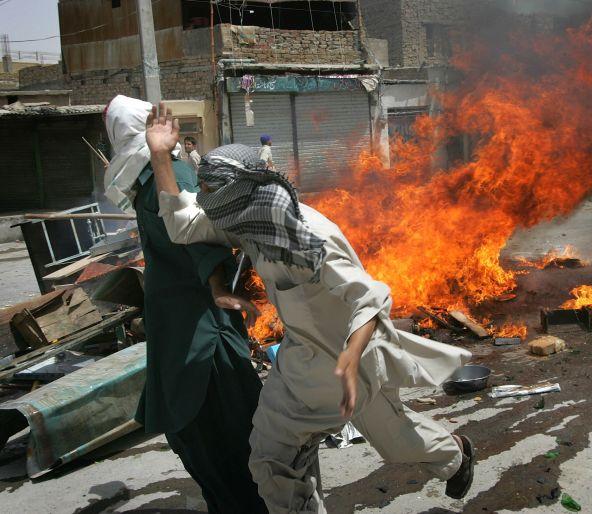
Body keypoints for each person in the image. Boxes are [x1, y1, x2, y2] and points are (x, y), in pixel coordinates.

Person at [145, 103, 476, 513]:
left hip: (352, 361)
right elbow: (181, 224)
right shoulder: (243, 218)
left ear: (234, 191)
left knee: (401, 445)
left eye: (210, 190)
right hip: (301, 364)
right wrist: (160, 155)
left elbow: (370, 297)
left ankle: (455, 454)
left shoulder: (309, 235)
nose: (205, 199)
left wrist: (352, 359)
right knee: (270, 459)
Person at [104, 96, 267, 514]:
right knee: (232, 437)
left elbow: (191, 229)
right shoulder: (166, 173)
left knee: (216, 439)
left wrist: (216, 282)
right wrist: (216, 283)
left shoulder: (160, 175)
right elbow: (192, 230)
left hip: (189, 328)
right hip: (198, 331)